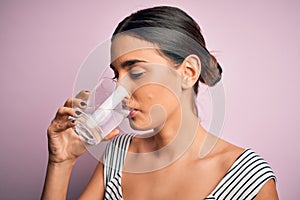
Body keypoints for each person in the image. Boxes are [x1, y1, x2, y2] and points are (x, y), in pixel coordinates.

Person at [41, 6, 279, 199]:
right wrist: (61, 162)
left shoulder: (248, 179)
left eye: (136, 73)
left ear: (188, 72)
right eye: (116, 76)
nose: (119, 91)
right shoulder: (118, 154)